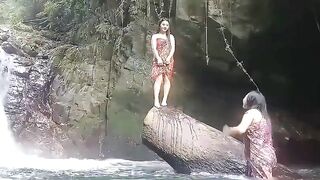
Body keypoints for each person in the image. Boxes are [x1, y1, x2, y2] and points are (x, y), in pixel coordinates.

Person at [223, 91, 277, 179]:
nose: (244, 99)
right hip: (267, 156)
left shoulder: (251, 113)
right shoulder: (265, 117)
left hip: (257, 157)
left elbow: (241, 129)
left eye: (246, 97)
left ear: (252, 101)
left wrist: (228, 130)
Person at [151, 18, 175, 108]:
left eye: (167, 25)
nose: (165, 26)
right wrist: (158, 58)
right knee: (158, 79)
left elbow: (172, 49)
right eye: (163, 24)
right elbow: (154, 48)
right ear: (160, 25)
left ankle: (164, 100)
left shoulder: (171, 37)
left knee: (167, 80)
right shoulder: (155, 36)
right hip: (158, 60)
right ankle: (156, 100)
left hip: (169, 60)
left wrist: (168, 58)